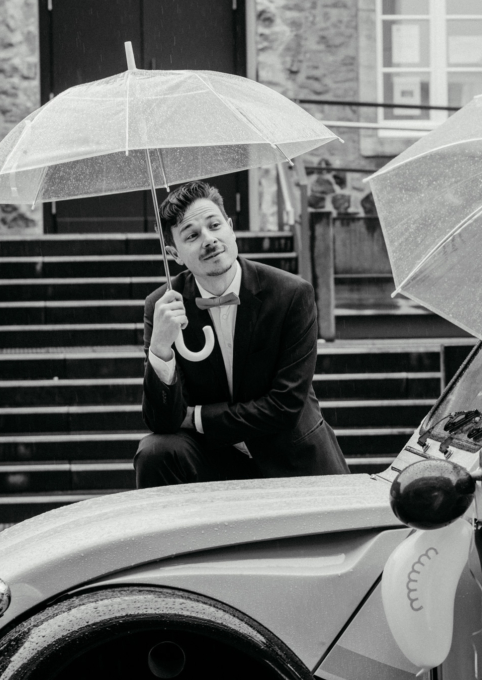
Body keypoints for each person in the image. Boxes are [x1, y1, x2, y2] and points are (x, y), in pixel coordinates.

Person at [134, 180, 349, 488]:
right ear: (175, 254)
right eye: (192, 235)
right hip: (215, 460)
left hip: (291, 455)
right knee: (155, 451)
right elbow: (162, 422)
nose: (209, 240)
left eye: (214, 225)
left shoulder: (291, 294)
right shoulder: (163, 306)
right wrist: (160, 350)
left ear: (231, 228)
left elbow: (285, 405)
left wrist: (195, 417)